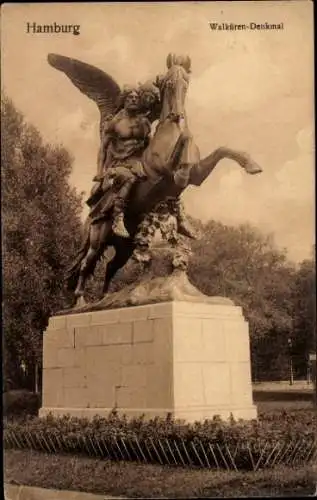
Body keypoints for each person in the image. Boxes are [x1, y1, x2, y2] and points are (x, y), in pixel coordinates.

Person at [91, 86, 152, 238]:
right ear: (124, 100)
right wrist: (99, 172)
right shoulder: (114, 123)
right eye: (130, 97)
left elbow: (148, 145)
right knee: (129, 177)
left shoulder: (144, 123)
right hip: (118, 164)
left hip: (138, 163)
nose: (133, 99)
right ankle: (118, 218)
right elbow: (103, 149)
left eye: (136, 98)